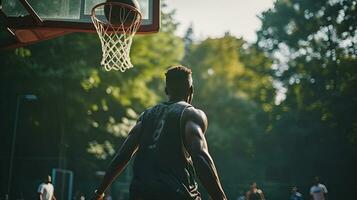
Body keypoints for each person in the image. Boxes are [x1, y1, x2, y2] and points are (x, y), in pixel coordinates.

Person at [91, 66, 227, 200]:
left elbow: (123, 155)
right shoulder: (190, 114)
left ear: (166, 90)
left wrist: (99, 192)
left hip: (140, 192)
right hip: (174, 192)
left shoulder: (146, 116)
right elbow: (200, 156)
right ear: (191, 90)